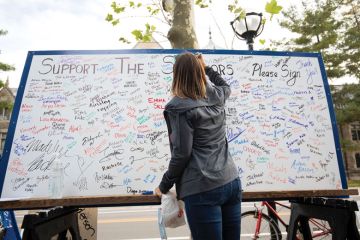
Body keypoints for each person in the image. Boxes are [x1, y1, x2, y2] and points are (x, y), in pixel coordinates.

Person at [155, 52, 241, 240]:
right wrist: (206, 68)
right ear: (199, 72)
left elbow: (182, 153)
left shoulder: (177, 107)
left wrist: (164, 185)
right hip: (231, 181)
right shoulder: (217, 96)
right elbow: (225, 86)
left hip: (202, 189)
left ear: (176, 75)